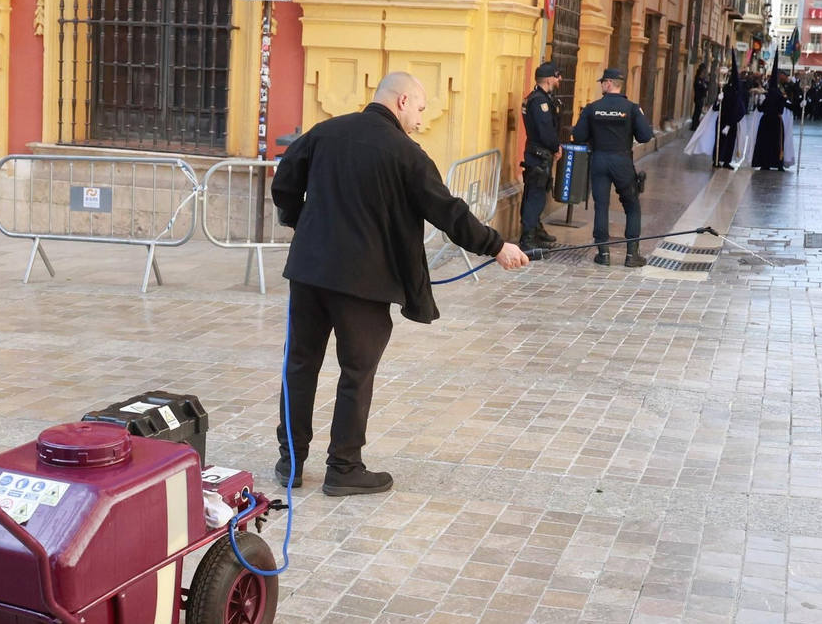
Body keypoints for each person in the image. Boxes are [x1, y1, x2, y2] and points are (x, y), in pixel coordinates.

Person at [271, 73, 528, 496]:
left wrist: (306, 225)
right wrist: (496, 246)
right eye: (421, 110)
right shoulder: (407, 154)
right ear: (403, 100)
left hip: (309, 273)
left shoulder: (325, 132)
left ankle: (291, 462)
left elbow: (285, 183)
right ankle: (343, 469)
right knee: (356, 373)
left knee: (299, 365)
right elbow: (449, 212)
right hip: (364, 284)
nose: (421, 121)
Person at [572, 67, 653, 267]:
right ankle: (631, 254)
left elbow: (579, 136)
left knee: (601, 206)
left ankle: (603, 253)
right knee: (632, 205)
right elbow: (645, 136)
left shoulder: (592, 108)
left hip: (599, 159)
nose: (601, 85)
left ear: (608, 83)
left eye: (602, 82)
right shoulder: (632, 108)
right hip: (622, 161)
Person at [518, 62, 564, 252]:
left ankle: (535, 230)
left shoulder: (535, 98)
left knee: (534, 194)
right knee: (535, 196)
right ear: (548, 78)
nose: (560, 79)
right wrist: (556, 147)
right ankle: (527, 239)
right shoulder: (540, 102)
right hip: (539, 154)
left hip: (535, 153)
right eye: (557, 75)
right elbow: (545, 131)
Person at [749, 64, 794, 172]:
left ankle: (765, 163)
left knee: (765, 143)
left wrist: (758, 101)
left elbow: (760, 109)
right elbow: (788, 106)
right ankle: (778, 163)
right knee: (776, 143)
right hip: (776, 121)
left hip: (766, 121)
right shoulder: (780, 98)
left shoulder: (767, 97)